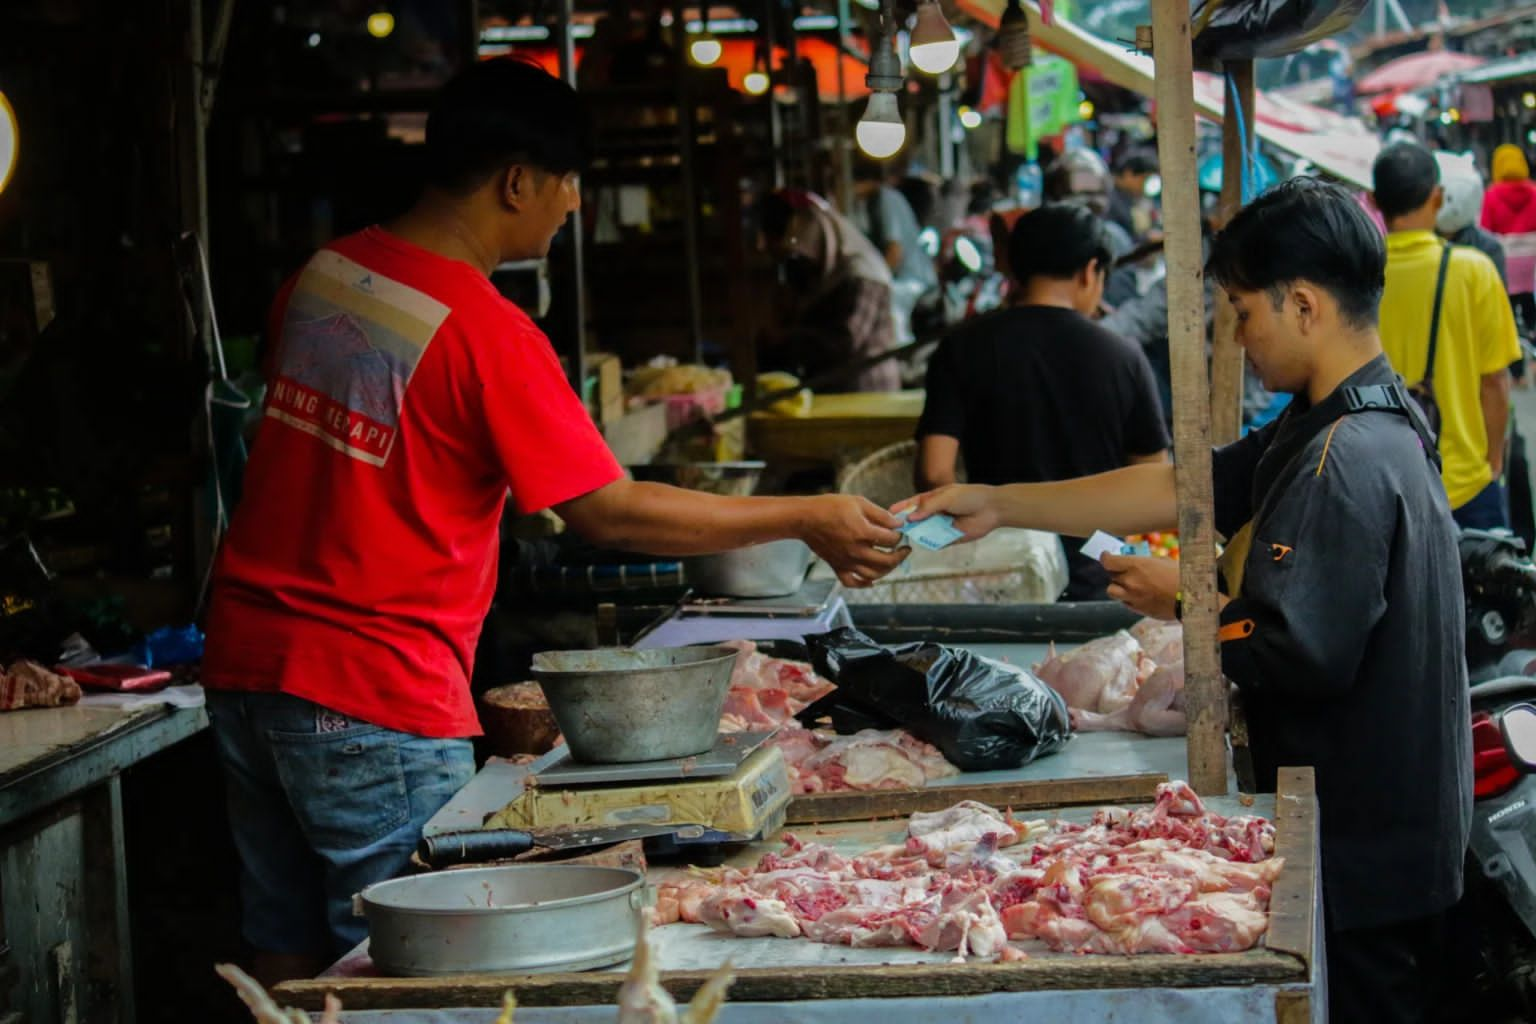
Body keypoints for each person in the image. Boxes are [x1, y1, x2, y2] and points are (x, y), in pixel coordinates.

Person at [201, 59, 908, 986]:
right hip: (368, 687)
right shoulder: (485, 330)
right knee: (415, 967)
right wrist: (807, 515)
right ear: (517, 180)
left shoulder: (325, 277)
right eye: (572, 182)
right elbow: (607, 511)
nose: (574, 205)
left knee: (286, 947)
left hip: (246, 663)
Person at [900, 179, 1471, 1024]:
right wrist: (1001, 502)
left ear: (1305, 304)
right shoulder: (1343, 418)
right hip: (1386, 833)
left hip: (1367, 846)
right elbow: (1185, 486)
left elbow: (1295, 647)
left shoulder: (1341, 459)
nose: (1238, 334)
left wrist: (1186, 598)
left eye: (1245, 311)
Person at [915, 203, 1170, 600]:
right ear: (1090, 272)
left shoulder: (962, 347)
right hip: (1097, 577)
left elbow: (934, 473)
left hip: (995, 578)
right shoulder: (1123, 356)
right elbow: (1153, 479)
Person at [1373, 142, 1521, 530]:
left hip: (1384, 487)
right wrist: (1493, 461)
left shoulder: (1360, 277)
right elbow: (1494, 381)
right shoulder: (1474, 271)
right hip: (1465, 483)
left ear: (1374, 201)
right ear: (1436, 198)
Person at [757, 188, 901, 392]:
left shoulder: (862, 274)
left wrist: (786, 339)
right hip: (834, 393)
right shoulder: (822, 274)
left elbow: (844, 343)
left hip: (867, 392)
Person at [851, 162, 940, 344]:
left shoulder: (883, 198)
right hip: (913, 279)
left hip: (908, 281)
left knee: (897, 338)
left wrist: (879, 282)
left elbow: (894, 249)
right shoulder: (884, 199)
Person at [1481, 143, 1536, 333]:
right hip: (1531, 262)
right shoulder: (1534, 192)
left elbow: (1485, 229)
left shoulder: (1491, 194)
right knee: (1529, 303)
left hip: (1504, 259)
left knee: (1508, 309)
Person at [1108, 150, 1158, 240]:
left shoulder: (1137, 197)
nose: (1145, 186)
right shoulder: (1109, 198)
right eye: (1144, 179)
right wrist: (1147, 238)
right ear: (1129, 174)